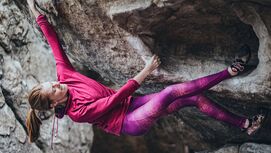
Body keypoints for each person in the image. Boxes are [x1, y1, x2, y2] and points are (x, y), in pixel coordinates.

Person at [26, 0, 265, 146]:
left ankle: (245, 124)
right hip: (129, 121)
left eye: (52, 83)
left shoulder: (65, 77)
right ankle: (230, 72)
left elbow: (54, 43)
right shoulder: (77, 113)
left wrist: (36, 13)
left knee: (195, 99)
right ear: (53, 104)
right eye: (54, 90)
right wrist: (145, 71)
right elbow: (113, 100)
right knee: (171, 91)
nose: (57, 84)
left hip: (131, 104)